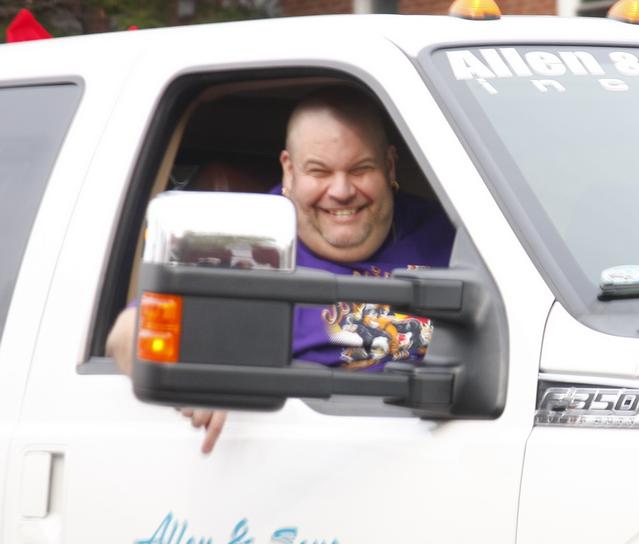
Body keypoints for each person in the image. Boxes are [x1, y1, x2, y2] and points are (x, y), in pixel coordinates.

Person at [107, 86, 455, 454]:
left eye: (360, 169)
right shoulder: (239, 241)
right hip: (303, 461)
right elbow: (126, 333)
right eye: (319, 171)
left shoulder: (449, 230)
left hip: (452, 444)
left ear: (389, 165)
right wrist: (195, 377)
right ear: (289, 170)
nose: (340, 190)